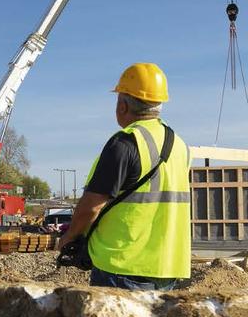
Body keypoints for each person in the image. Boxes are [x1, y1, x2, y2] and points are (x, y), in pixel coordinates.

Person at [58, 63, 191, 291]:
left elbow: (91, 207)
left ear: (123, 105)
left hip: (122, 268)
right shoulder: (179, 145)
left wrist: (69, 237)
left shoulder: (125, 143)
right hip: (167, 269)